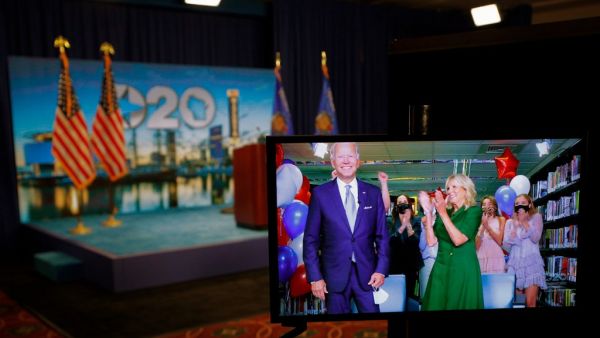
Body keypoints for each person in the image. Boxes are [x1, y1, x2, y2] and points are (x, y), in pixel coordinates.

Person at [304, 142, 389, 314]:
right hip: (333, 279)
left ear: (358, 160)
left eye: (350, 156)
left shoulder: (373, 193)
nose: (346, 161)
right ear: (333, 161)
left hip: (368, 277)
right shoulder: (320, 194)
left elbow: (382, 236)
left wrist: (381, 270)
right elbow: (310, 239)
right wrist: (315, 277)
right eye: (340, 156)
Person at [418, 174, 483, 310]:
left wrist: (442, 212)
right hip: (441, 268)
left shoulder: (474, 212)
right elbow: (431, 241)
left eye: (454, 186)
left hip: (463, 269)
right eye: (448, 188)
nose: (449, 191)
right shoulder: (446, 212)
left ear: (466, 189)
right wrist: (429, 213)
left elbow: (459, 240)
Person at [503, 194, 547, 307]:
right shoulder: (509, 222)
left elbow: (536, 238)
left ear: (529, 204)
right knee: (518, 303)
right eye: (517, 204)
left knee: (530, 303)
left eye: (523, 203)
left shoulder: (536, 217)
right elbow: (506, 245)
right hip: (515, 264)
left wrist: (524, 222)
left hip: (532, 264)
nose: (520, 206)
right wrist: (516, 227)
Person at [388, 195, 423, 299]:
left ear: (409, 205)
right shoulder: (390, 221)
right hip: (394, 262)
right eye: (400, 202)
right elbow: (390, 241)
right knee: (395, 294)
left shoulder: (416, 220)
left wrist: (408, 224)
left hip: (411, 263)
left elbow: (416, 242)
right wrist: (402, 226)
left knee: (409, 294)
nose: (403, 204)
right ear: (396, 206)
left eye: (405, 201)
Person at [476, 196, 506, 273]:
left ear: (495, 207)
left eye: (489, 204)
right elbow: (476, 246)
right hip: (481, 256)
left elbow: (499, 241)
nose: (487, 206)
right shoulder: (477, 221)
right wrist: (482, 226)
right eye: (484, 204)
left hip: (496, 256)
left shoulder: (501, 219)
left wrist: (487, 226)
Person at [418, 210, 438, 300]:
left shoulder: (442, 220)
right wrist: (426, 228)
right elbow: (421, 246)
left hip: (441, 260)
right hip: (427, 260)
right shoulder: (422, 222)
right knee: (426, 294)